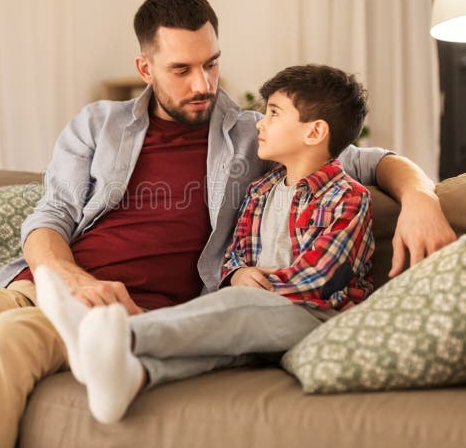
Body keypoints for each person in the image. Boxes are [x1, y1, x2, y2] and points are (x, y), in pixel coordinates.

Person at [0, 0, 455, 448]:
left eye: (212, 62)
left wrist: (421, 195)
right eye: (183, 68)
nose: (203, 83)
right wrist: (68, 275)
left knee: (4, 343)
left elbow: (362, 157)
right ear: (146, 66)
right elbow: (48, 216)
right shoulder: (97, 125)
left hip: (132, 311)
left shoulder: (252, 135)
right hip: (38, 285)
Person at [36, 63, 377, 423]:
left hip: (317, 316)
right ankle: (132, 378)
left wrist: (252, 291)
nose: (260, 123)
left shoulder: (346, 198)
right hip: (256, 316)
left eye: (274, 114)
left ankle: (119, 333)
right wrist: (237, 273)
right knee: (216, 348)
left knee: (239, 309)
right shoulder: (260, 191)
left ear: (315, 132)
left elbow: (320, 277)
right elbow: (237, 251)